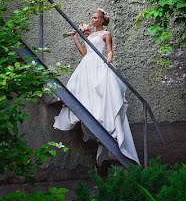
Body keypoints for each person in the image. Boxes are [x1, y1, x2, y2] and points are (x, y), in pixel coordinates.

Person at [54, 9, 139, 166]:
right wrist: (76, 38)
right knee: (83, 92)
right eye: (91, 18)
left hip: (99, 66)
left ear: (101, 20)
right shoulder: (90, 35)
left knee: (101, 95)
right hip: (87, 66)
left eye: (95, 18)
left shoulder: (105, 34)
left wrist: (108, 61)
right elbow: (84, 54)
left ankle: (103, 125)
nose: (92, 20)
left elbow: (110, 50)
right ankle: (91, 119)